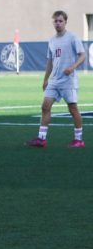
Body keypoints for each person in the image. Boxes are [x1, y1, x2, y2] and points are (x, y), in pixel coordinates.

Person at [26, 10, 86, 148]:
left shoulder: (72, 37)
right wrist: (46, 79)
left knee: (73, 109)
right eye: (56, 21)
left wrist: (73, 66)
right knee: (45, 107)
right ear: (53, 22)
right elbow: (50, 62)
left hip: (68, 80)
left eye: (61, 21)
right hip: (54, 81)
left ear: (65, 22)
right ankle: (41, 139)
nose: (58, 23)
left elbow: (82, 55)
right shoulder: (52, 40)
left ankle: (79, 140)